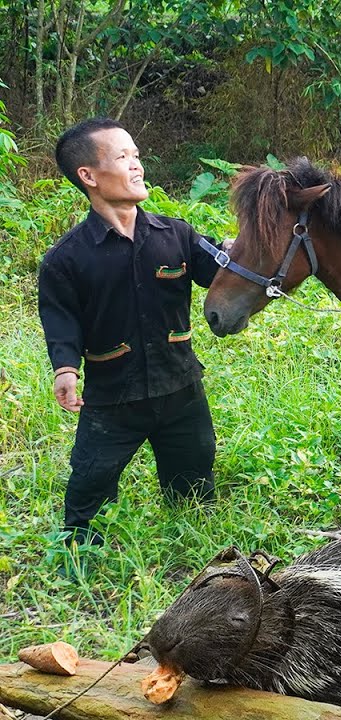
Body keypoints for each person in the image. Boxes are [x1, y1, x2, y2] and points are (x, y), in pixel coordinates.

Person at [37, 117, 228, 547]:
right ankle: (83, 555)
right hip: (112, 399)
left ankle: (189, 552)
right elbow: (60, 319)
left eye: (137, 156)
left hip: (181, 388)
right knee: (87, 503)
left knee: (194, 492)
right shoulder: (66, 259)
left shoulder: (176, 234)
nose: (137, 165)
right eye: (123, 157)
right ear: (88, 175)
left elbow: (223, 269)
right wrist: (65, 369)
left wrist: (255, 249)